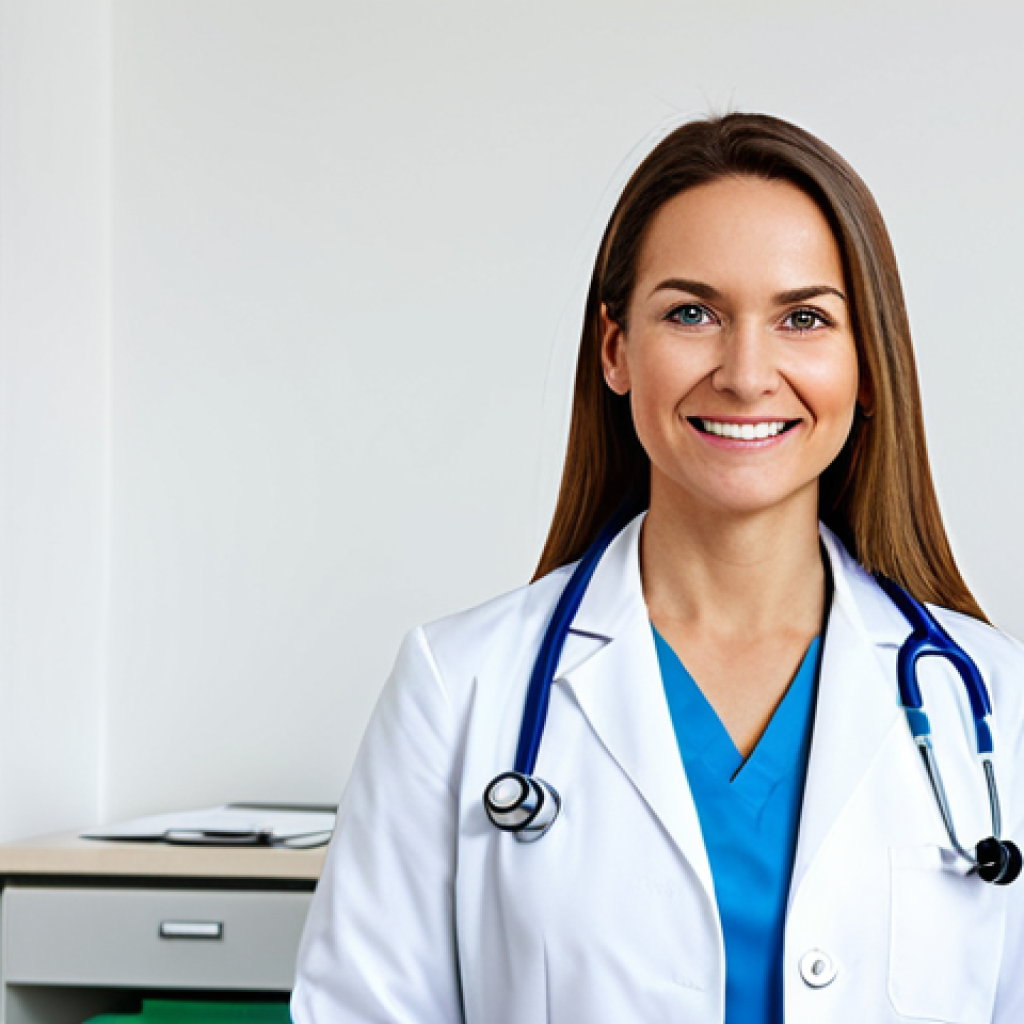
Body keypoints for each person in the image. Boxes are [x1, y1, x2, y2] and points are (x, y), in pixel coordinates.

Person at [291, 113, 1024, 1023]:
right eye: (691, 314)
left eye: (803, 318)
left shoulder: (993, 701)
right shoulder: (461, 688)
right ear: (616, 351)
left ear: (867, 365)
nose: (747, 374)